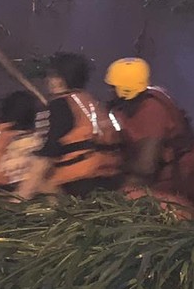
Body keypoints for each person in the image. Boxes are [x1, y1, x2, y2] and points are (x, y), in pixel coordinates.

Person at [104, 57, 194, 208]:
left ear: (124, 90)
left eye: (112, 87)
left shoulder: (151, 111)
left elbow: (146, 167)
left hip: (179, 178)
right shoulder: (127, 107)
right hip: (161, 172)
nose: (109, 90)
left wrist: (116, 185)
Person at [18, 53, 122, 198]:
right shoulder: (94, 103)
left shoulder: (60, 105)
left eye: (51, 76)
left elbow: (45, 156)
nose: (47, 81)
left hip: (78, 186)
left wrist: (19, 199)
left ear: (60, 80)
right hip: (109, 182)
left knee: (41, 183)